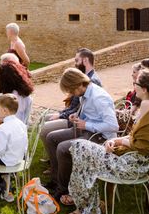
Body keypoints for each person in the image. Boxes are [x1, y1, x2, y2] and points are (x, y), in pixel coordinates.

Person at [66, 69, 149, 214]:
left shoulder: (146, 104)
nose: (134, 87)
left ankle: (87, 206)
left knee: (79, 147)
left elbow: (141, 144)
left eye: (136, 84)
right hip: (139, 163)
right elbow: (136, 137)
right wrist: (115, 140)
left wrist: (119, 141)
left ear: (144, 89)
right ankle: (88, 205)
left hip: (130, 165)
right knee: (81, 149)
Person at [44, 68, 118, 201]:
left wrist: (86, 125)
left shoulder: (98, 97)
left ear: (78, 84)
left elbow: (113, 126)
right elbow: (90, 115)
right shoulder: (85, 92)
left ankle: (63, 189)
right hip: (86, 130)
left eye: (71, 90)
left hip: (101, 138)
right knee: (51, 138)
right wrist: (76, 116)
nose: (71, 94)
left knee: (62, 148)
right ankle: (55, 181)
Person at [40, 48, 102, 154]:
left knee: (45, 128)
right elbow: (74, 106)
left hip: (78, 122)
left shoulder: (91, 81)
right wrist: (61, 113)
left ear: (85, 61)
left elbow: (79, 109)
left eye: (77, 60)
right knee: (43, 118)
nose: (75, 64)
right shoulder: (83, 78)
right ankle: (52, 156)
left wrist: (61, 115)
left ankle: (54, 159)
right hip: (73, 116)